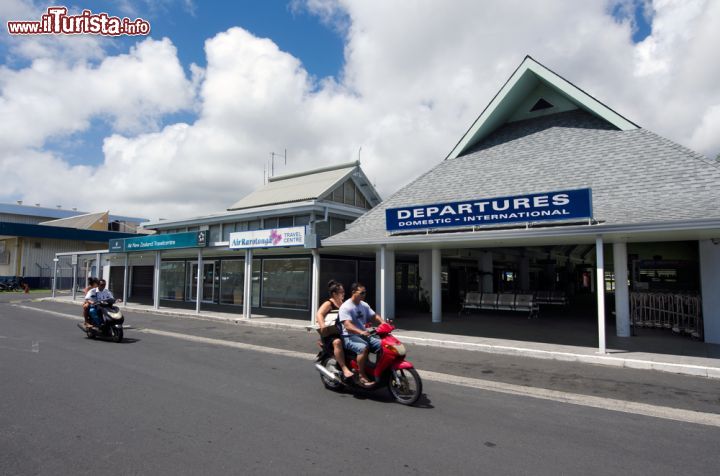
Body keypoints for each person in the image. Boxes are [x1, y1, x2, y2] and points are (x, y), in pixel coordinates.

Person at [338, 282, 385, 387]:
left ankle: (378, 369)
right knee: (363, 348)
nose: (364, 295)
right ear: (354, 292)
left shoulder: (364, 305)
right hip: (349, 336)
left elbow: (374, 316)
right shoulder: (346, 307)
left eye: (365, 293)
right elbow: (347, 325)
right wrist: (361, 332)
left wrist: (383, 323)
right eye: (362, 293)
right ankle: (361, 374)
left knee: (383, 345)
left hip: (363, 334)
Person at [315, 280, 354, 379]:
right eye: (342, 292)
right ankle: (344, 368)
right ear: (334, 294)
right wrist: (323, 325)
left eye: (344, 292)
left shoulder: (343, 303)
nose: (344, 294)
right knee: (337, 342)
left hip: (342, 332)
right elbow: (319, 314)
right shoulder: (328, 303)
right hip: (330, 334)